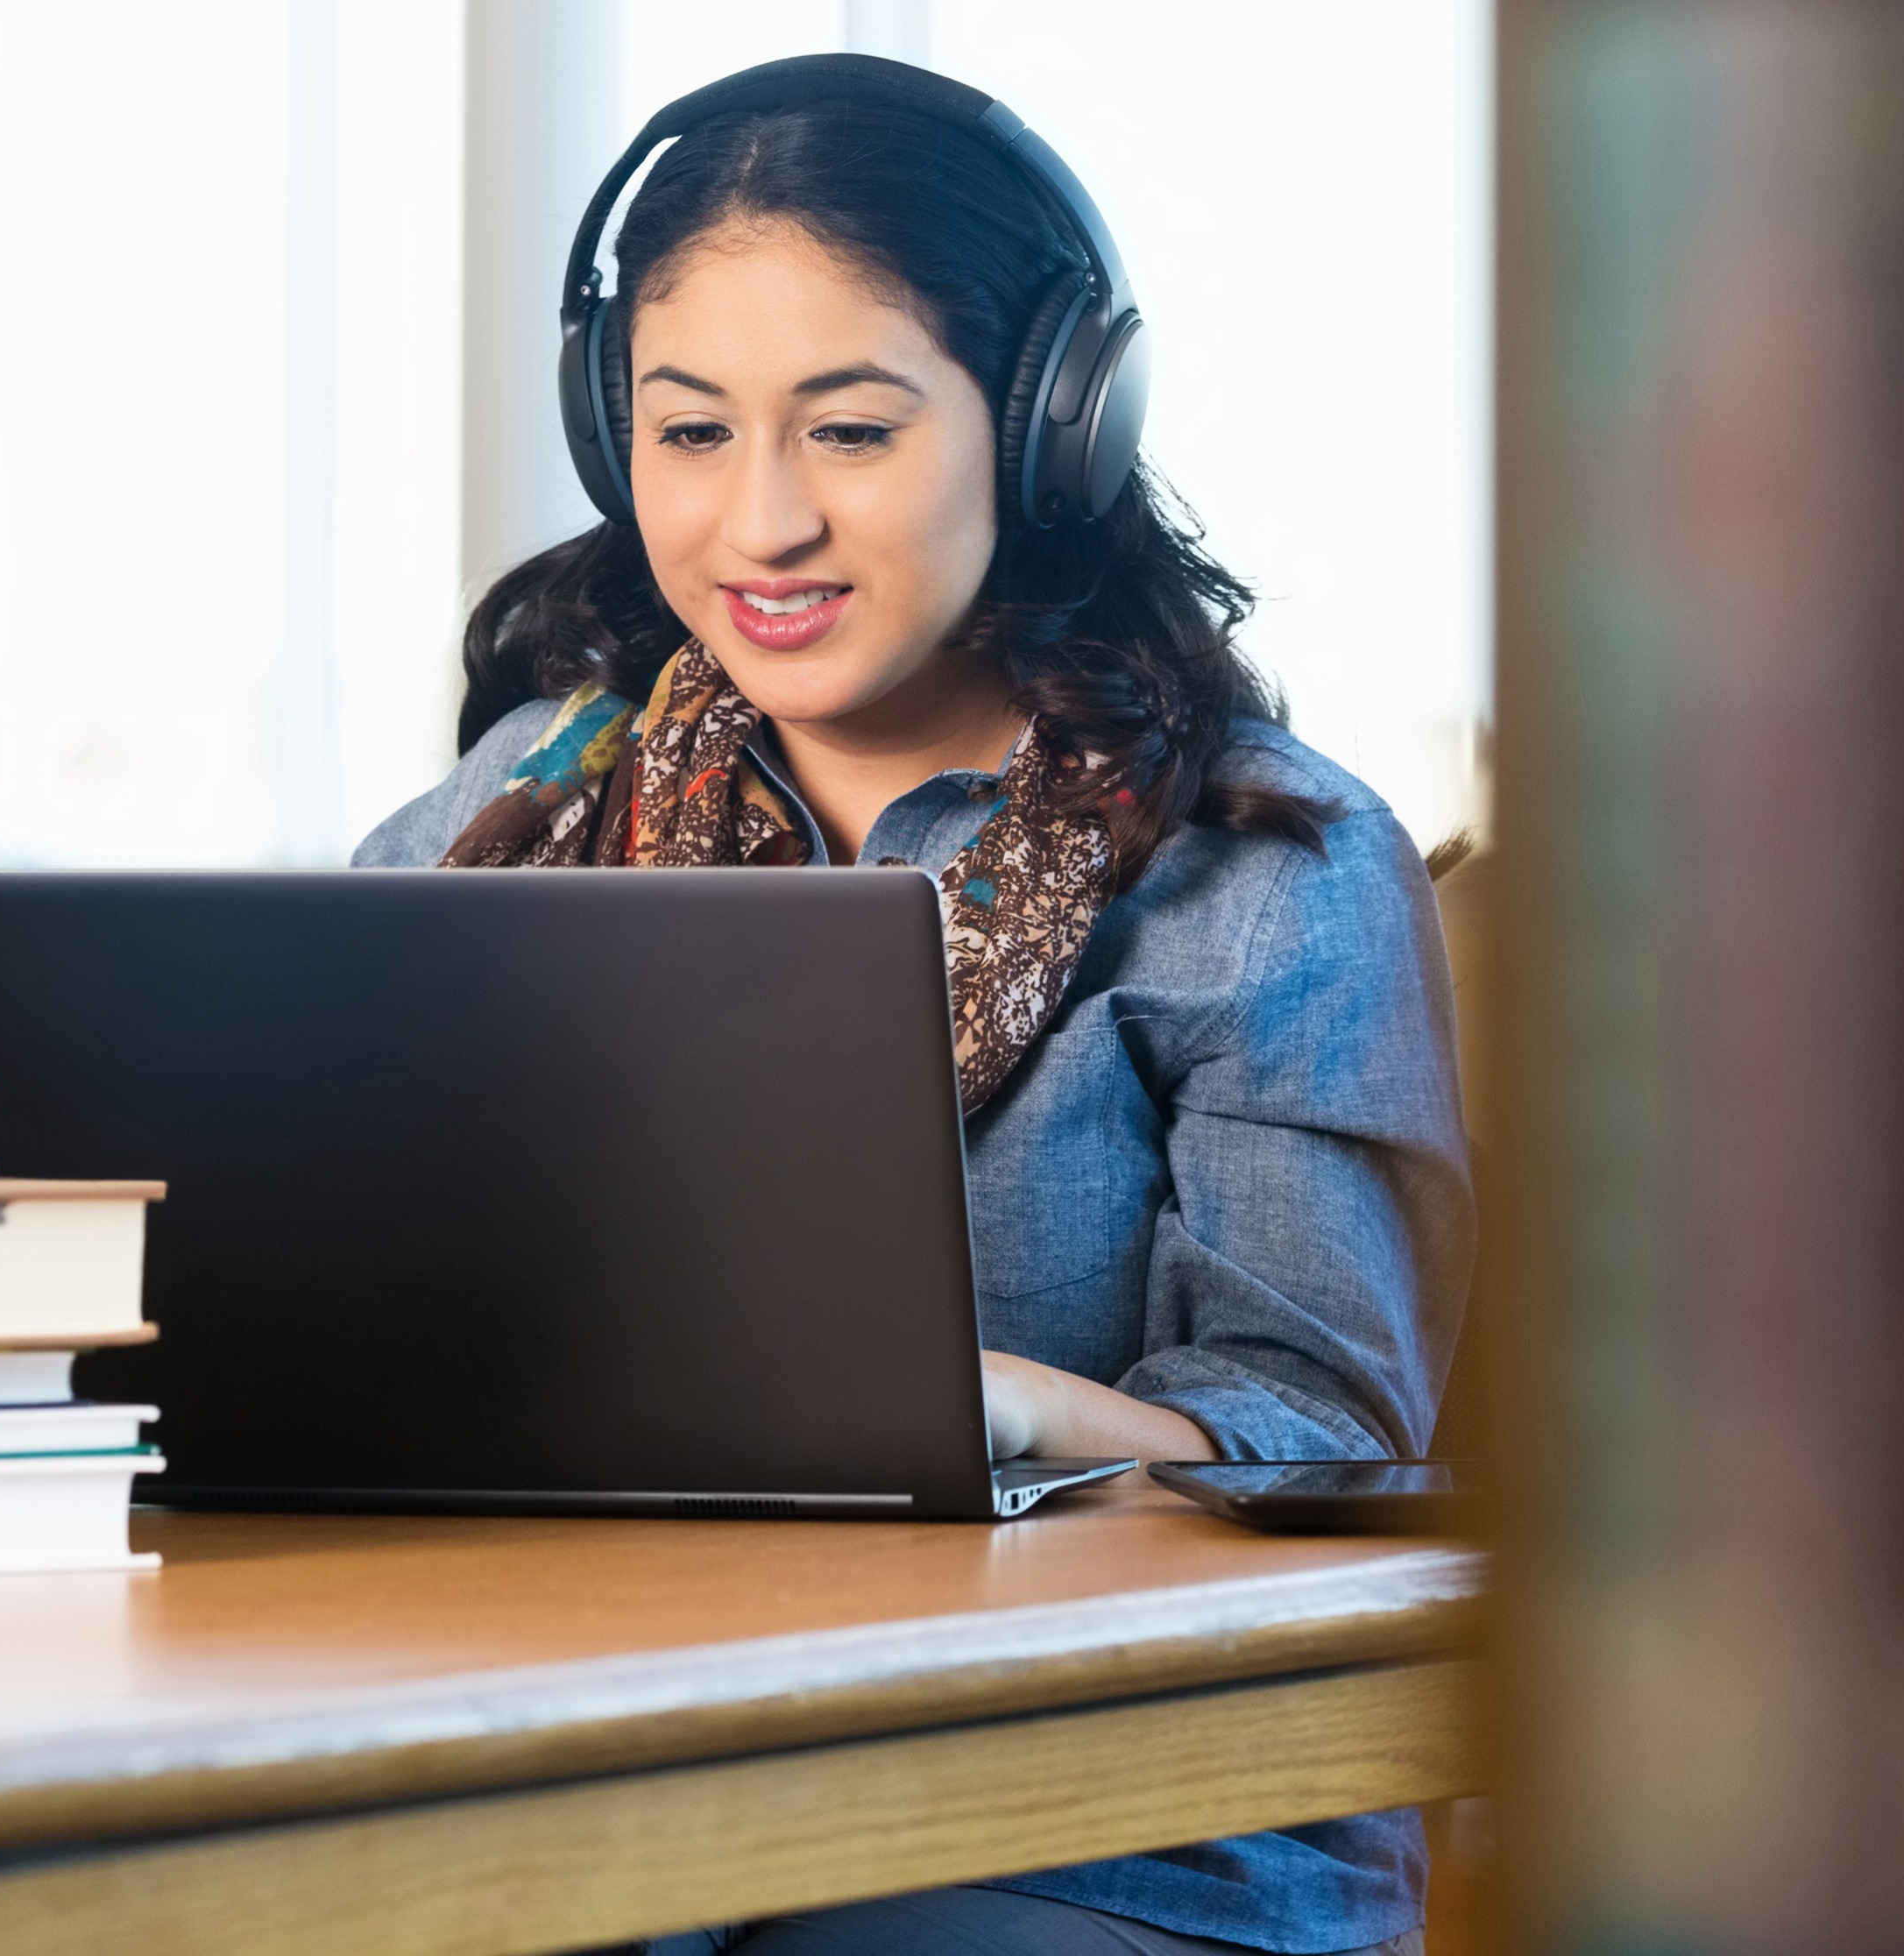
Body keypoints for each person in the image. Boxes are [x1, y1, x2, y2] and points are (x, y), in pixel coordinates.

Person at [356, 59, 1466, 1956]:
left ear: (1053, 432)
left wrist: (1013, 1416)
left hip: (1101, 1828)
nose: (757, 525)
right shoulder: (524, 809)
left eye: (850, 433)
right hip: (574, 1755)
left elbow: (1321, 1430)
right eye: (686, 433)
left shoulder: (1269, 865)